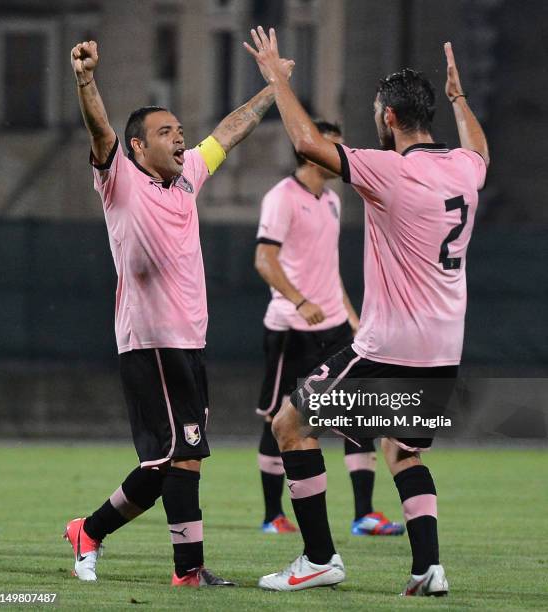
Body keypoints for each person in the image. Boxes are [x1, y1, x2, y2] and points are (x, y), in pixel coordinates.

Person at [245, 27, 488, 595]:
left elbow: (307, 144)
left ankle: (319, 558)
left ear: (388, 120)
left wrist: (278, 79)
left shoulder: (390, 170)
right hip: (444, 346)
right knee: (403, 450)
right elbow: (480, 151)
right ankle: (428, 570)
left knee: (289, 425)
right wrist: (460, 99)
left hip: (388, 345)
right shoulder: (463, 169)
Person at [63, 39, 293, 587]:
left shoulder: (189, 173)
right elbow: (99, 131)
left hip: (188, 340)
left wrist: (274, 86)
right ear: (137, 146)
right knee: (181, 456)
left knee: (171, 461)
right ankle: (186, 571)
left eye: (179, 128)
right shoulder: (118, 178)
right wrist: (86, 81)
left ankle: (89, 532)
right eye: (165, 131)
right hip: (150, 341)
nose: (180, 136)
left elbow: (232, 130)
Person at [254, 120, 404, 537]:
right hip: (290, 327)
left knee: (360, 414)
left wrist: (354, 319)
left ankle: (364, 515)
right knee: (278, 416)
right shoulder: (281, 197)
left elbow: (329, 269)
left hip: (334, 328)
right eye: (330, 146)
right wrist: (300, 302)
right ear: (307, 152)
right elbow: (264, 260)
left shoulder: (333, 200)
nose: (338, 154)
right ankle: (272, 516)